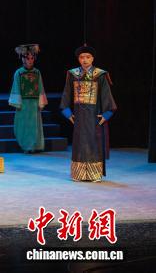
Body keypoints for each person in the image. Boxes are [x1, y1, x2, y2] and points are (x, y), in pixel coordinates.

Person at [60, 45, 117, 182]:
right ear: (78, 59)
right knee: (79, 144)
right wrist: (68, 113)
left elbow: (107, 96)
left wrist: (106, 114)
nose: (84, 60)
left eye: (87, 57)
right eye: (81, 57)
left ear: (92, 58)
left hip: (94, 116)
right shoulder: (73, 74)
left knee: (93, 143)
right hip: (79, 117)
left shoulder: (100, 75)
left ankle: (94, 174)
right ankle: (78, 174)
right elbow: (66, 95)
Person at [9, 44, 48, 153]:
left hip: (34, 103)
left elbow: (40, 86)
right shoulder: (19, 72)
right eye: (27, 58)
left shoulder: (37, 72)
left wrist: (41, 102)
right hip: (24, 103)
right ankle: (26, 146)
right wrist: (17, 102)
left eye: (32, 58)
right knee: (24, 125)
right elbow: (16, 87)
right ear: (23, 59)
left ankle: (36, 145)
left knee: (34, 125)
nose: (30, 61)